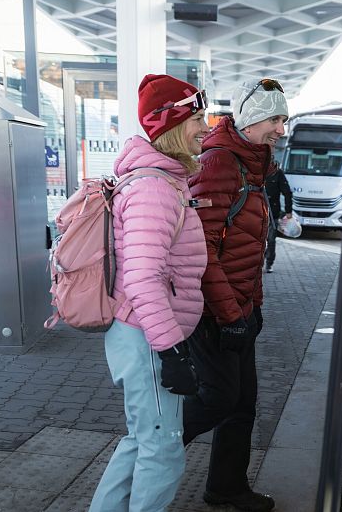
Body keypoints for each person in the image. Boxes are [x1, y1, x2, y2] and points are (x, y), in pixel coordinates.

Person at [90, 74, 210, 512]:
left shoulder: (164, 181)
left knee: (141, 440)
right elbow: (142, 278)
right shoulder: (154, 188)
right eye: (197, 118)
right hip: (146, 337)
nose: (206, 128)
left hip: (143, 334)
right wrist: (172, 352)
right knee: (162, 452)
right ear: (171, 125)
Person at [183, 78, 289, 512]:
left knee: (243, 404)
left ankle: (227, 487)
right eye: (274, 119)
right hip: (215, 313)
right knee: (219, 398)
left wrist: (252, 308)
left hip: (244, 309)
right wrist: (230, 316)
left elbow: (248, 244)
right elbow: (201, 249)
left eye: (284, 119)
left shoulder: (254, 162)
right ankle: (152, 442)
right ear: (250, 119)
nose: (282, 129)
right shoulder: (220, 163)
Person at [264, 161, 293, 272]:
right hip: (257, 212)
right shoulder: (256, 170)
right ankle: (259, 260)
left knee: (271, 239)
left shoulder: (278, 173)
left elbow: (287, 192)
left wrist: (288, 211)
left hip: (272, 212)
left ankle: (269, 263)